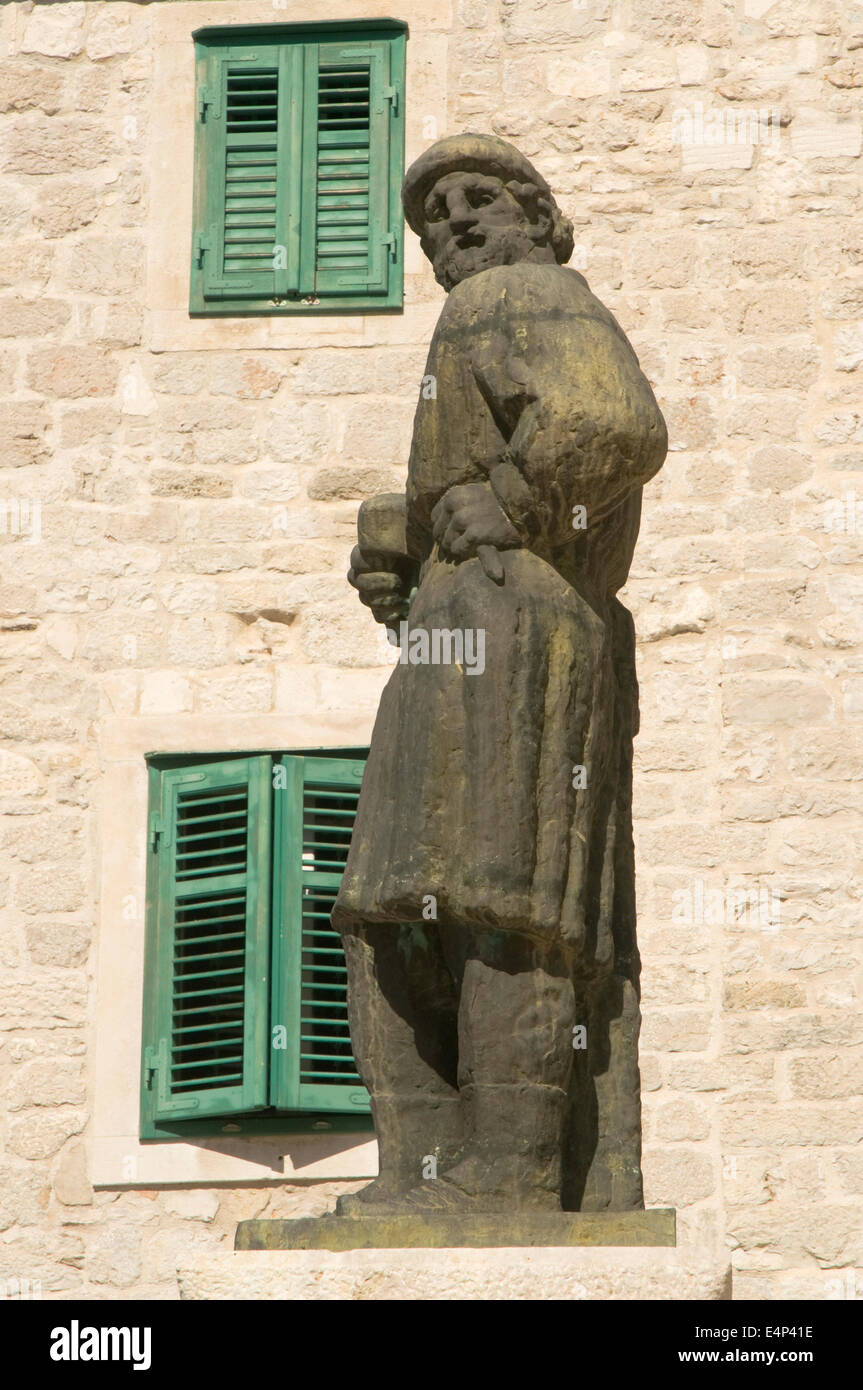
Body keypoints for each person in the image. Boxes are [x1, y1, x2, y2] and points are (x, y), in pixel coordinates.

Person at [331, 134, 667, 1214]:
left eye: (481, 199)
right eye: (433, 216)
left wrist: (518, 498)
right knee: (395, 904)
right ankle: (433, 1171)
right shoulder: (484, 312)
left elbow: (616, 422)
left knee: (497, 899)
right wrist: (406, 528)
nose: (454, 223)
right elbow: (489, 467)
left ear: (534, 216)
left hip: (513, 626)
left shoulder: (526, 291)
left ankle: (502, 1177)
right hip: (469, 626)